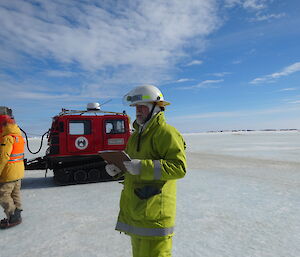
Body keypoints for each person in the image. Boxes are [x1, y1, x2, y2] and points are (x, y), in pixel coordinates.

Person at [105, 85, 187, 256]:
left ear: (156, 107)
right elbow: (132, 166)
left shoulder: (166, 133)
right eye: (136, 107)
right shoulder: (135, 136)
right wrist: (119, 170)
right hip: (137, 212)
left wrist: (142, 167)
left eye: (143, 107)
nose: (138, 111)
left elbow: (179, 168)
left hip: (155, 214)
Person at [0, 107, 25, 229]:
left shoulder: (7, 138)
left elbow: (3, 158)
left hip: (9, 173)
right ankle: (17, 213)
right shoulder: (18, 137)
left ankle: (12, 216)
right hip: (18, 172)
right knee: (15, 194)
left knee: (3, 194)